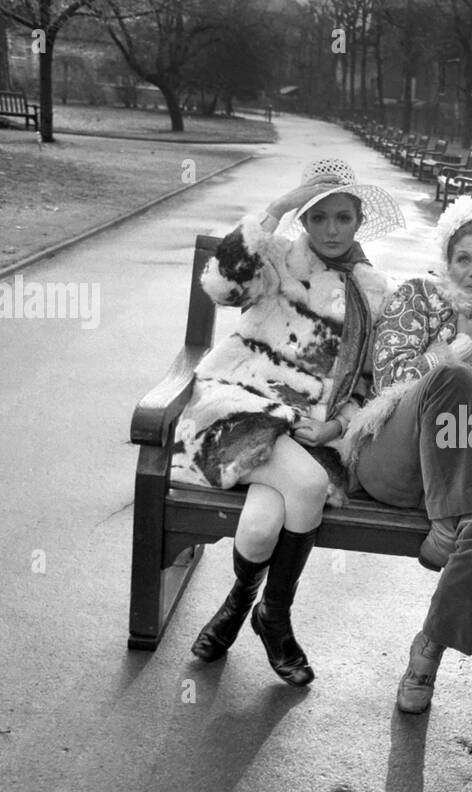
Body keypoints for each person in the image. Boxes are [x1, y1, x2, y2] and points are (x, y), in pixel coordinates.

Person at [171, 158, 402, 685]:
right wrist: (276, 208)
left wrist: (336, 426)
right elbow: (223, 287)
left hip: (308, 430)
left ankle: (238, 606)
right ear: (303, 219)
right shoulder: (277, 260)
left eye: (342, 217)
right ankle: (275, 618)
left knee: (258, 526)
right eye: (317, 217)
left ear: (359, 220)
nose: (330, 230)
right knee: (310, 483)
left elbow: (368, 382)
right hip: (237, 405)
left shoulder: (372, 291)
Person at [340, 195, 472, 714]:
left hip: (464, 457)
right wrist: (459, 349)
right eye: (463, 257)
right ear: (447, 257)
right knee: (455, 377)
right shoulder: (415, 296)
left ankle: (428, 651)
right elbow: (393, 379)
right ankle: (447, 521)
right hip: (392, 455)